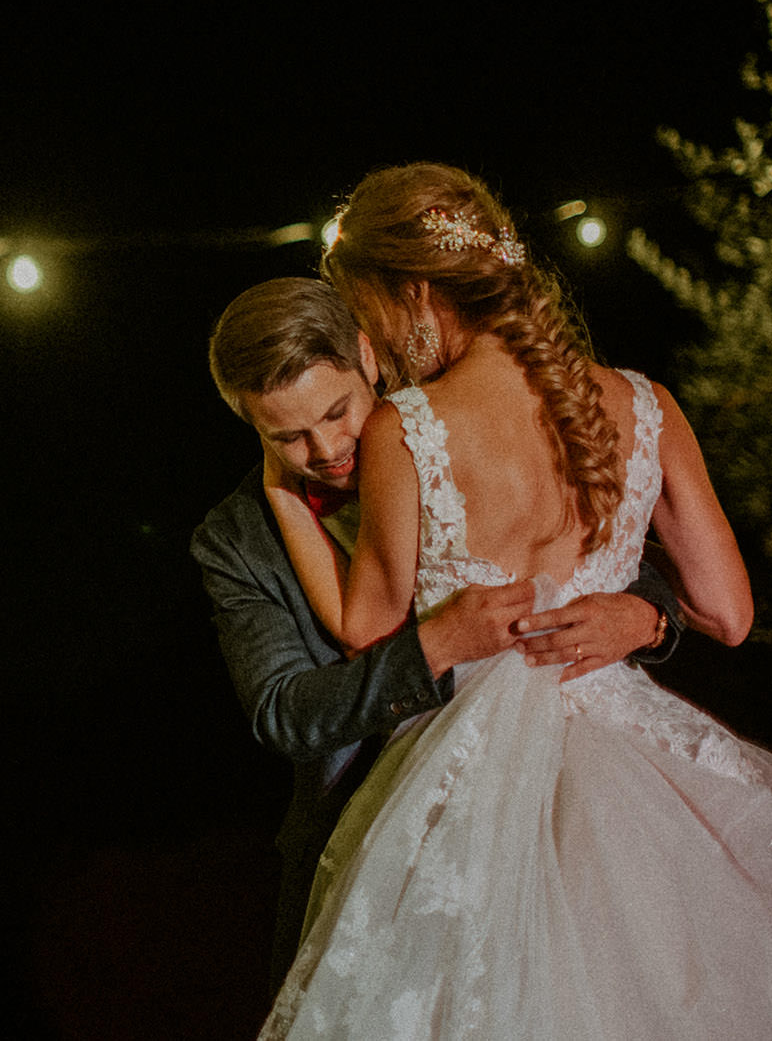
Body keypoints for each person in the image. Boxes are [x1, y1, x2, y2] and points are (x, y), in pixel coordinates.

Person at [260, 162, 772, 1037]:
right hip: (639, 772)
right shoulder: (647, 404)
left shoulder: (407, 427)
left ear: (415, 292)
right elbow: (729, 611)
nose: (373, 346)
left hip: (476, 784)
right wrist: (644, 616)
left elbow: (368, 631)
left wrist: (282, 493)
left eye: (370, 313)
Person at [190, 276, 684, 995]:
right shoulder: (235, 541)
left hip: (561, 828)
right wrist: (436, 644)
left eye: (337, 411)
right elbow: (286, 711)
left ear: (369, 355)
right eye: (286, 436)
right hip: (361, 863)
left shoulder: (453, 429)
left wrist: (648, 615)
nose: (326, 448)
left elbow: (618, 546)